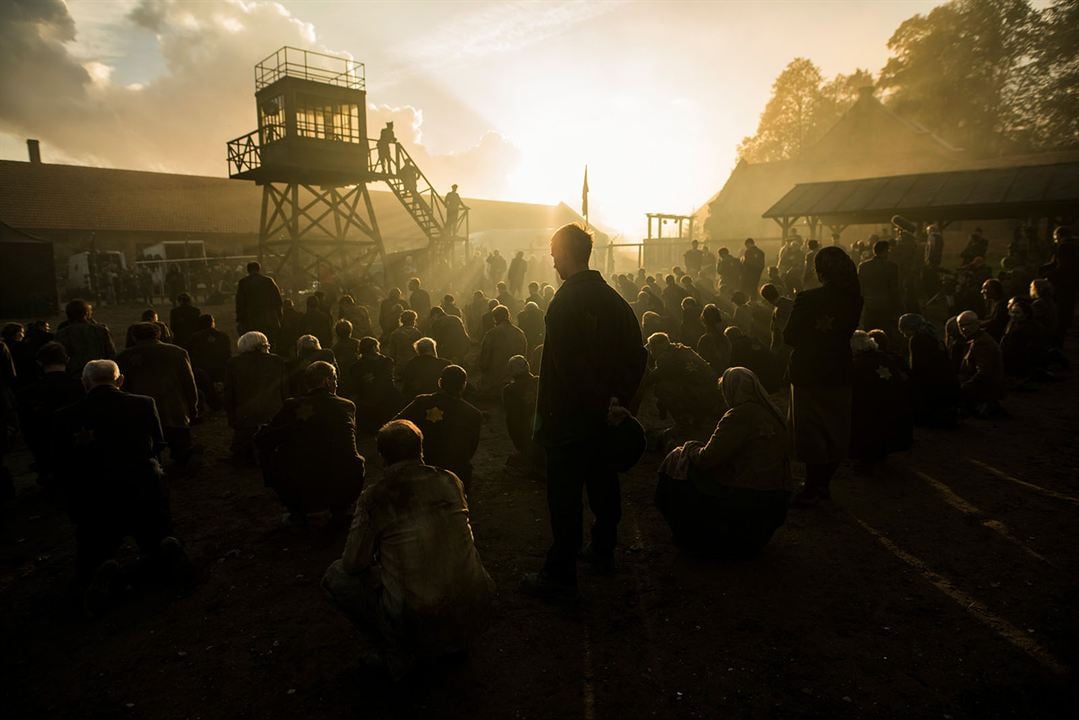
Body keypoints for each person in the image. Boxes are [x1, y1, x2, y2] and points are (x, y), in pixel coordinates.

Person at [522, 224, 647, 597]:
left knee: (564, 496)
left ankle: (561, 574)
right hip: (604, 421)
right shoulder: (615, 301)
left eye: (554, 252)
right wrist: (617, 403)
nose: (552, 260)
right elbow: (638, 357)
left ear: (565, 253)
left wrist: (598, 402)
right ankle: (604, 551)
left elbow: (568, 367)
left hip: (567, 420)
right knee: (604, 485)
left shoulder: (563, 304)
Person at [321, 419, 495, 677]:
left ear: (382, 457)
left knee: (335, 577)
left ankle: (394, 651)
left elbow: (352, 564)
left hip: (418, 615)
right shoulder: (450, 480)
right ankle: (454, 642)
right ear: (421, 450)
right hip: (478, 601)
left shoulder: (376, 495)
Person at [52, 360, 190, 616]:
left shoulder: (65, 415)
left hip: (95, 489)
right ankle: (165, 545)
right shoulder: (143, 403)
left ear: (85, 383)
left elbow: (62, 459)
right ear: (120, 380)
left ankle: (99, 566)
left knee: (94, 540)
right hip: (142, 482)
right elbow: (159, 443)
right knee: (154, 526)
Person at [655, 367, 791, 558]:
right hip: (774, 496)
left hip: (743, 494)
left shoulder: (738, 415)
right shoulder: (774, 414)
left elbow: (706, 459)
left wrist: (688, 448)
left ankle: (691, 533)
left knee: (678, 460)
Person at [783, 247, 863, 503]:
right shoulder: (855, 299)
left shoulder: (808, 298)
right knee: (836, 429)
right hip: (839, 369)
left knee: (810, 431)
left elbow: (790, 336)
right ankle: (823, 484)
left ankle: (811, 487)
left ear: (820, 272)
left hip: (809, 370)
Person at [256, 361, 365, 525]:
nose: (336, 383)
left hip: (300, 475)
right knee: (356, 461)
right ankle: (339, 510)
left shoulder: (293, 405)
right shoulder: (346, 405)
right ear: (327, 381)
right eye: (335, 379)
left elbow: (266, 438)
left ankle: (296, 509)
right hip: (341, 475)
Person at [116, 323, 198, 464]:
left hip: (141, 413)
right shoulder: (178, 352)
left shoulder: (123, 356)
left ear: (134, 337)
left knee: (148, 454)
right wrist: (193, 406)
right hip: (175, 410)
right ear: (158, 334)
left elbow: (123, 388)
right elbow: (189, 384)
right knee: (182, 452)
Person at [395, 364, 482, 488]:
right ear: (464, 385)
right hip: (455, 473)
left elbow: (395, 424)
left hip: (422, 466)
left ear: (440, 382)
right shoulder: (473, 414)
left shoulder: (421, 402)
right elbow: (471, 448)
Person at [15, 342, 84, 487]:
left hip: (43, 443)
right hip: (74, 445)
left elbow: (25, 425)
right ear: (67, 360)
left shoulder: (28, 392)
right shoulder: (81, 386)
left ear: (40, 362)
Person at [849, 331, 913, 471]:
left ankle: (867, 458)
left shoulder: (858, 364)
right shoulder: (885, 358)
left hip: (873, 411)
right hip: (894, 406)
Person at [224, 331, 287, 464]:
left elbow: (229, 392)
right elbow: (284, 389)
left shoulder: (234, 363)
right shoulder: (277, 361)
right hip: (272, 412)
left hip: (246, 414)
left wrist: (231, 414)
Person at [644, 332, 721, 429]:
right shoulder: (682, 349)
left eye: (651, 348)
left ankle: (683, 422)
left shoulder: (665, 359)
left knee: (661, 389)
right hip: (713, 390)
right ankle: (697, 415)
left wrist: (644, 361)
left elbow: (650, 379)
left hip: (701, 394)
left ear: (656, 347)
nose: (651, 352)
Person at [897, 314, 959, 426]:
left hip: (930, 383)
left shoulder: (917, 340)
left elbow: (917, 367)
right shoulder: (933, 335)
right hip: (944, 379)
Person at [341, 337, 402, 433]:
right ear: (374, 348)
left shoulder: (356, 366)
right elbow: (387, 381)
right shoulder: (387, 361)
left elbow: (355, 386)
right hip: (384, 399)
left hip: (367, 401)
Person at [956, 310, 1005, 416]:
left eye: (968, 325)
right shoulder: (977, 339)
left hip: (986, 388)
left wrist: (964, 387)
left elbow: (984, 373)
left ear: (976, 324)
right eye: (961, 326)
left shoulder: (981, 343)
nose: (964, 329)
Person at [477, 305, 527, 397]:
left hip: (495, 381)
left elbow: (484, 358)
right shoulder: (520, 333)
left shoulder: (492, 333)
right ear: (508, 316)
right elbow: (523, 355)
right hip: (514, 379)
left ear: (495, 318)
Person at [56, 299, 116, 374]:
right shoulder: (101, 330)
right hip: (100, 372)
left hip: (75, 374)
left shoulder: (62, 333)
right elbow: (111, 353)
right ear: (86, 313)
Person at [502, 355, 541, 469]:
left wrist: (521, 446)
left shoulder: (510, 390)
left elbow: (512, 422)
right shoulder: (541, 381)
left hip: (527, 443)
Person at [858, 240, 901, 337]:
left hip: (869, 302)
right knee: (885, 331)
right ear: (886, 251)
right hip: (885, 303)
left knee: (869, 330)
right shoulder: (892, 266)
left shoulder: (863, 266)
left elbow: (860, 286)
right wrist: (898, 306)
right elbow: (894, 288)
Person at [235, 262, 283, 339]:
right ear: (259, 269)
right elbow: (277, 300)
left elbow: (240, 302)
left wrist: (239, 318)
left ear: (248, 270)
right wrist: (279, 316)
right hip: (267, 318)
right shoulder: (268, 281)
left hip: (250, 320)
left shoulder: (243, 282)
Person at [760, 283, 794, 358]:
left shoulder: (779, 311)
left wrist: (772, 354)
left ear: (767, 299)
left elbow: (778, 333)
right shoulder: (791, 302)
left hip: (789, 347)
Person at [696, 304, 731, 377]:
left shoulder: (705, 339)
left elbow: (702, 361)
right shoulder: (724, 338)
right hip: (726, 373)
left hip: (711, 375)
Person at [387, 310, 422, 381]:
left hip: (400, 365)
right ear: (413, 320)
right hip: (415, 365)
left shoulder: (395, 333)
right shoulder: (417, 333)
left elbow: (392, 352)